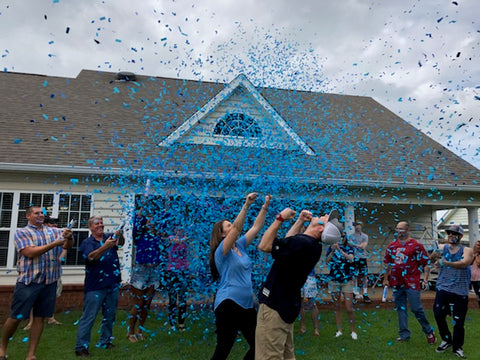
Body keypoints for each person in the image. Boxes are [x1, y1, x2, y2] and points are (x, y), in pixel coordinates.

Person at [255, 208, 341, 360]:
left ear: (321, 228)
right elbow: (288, 243)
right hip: (286, 306)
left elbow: (264, 245)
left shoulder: (302, 243)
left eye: (325, 217)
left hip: (275, 305)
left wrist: (279, 218)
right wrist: (299, 221)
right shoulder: (310, 245)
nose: (325, 215)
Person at [0, 206, 73, 360]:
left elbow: (67, 246)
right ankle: (2, 347)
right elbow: (30, 252)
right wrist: (54, 244)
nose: (40, 215)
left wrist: (69, 237)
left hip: (49, 281)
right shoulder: (22, 232)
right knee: (16, 317)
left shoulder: (53, 231)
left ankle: (31, 354)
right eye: (37, 213)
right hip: (29, 281)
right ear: (28, 216)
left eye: (42, 213)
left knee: (40, 318)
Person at [209, 192, 271, 360]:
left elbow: (256, 228)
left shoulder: (240, 246)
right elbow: (237, 229)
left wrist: (265, 206)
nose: (232, 227)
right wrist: (246, 205)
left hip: (247, 305)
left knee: (259, 345)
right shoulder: (222, 250)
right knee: (223, 348)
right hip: (228, 304)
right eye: (228, 226)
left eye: (231, 224)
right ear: (222, 234)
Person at [74, 216, 124, 357]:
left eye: (101, 223)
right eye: (97, 223)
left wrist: (121, 235)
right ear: (90, 227)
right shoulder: (87, 242)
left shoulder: (109, 236)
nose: (100, 225)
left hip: (112, 283)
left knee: (110, 316)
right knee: (89, 316)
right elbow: (91, 257)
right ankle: (81, 347)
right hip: (95, 286)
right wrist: (105, 246)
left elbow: (120, 244)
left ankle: (105, 341)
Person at [383, 221, 436, 344]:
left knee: (416, 308)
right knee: (400, 308)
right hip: (397, 282)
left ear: (407, 230)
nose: (398, 231)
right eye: (397, 229)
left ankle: (429, 331)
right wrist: (386, 278)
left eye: (401, 229)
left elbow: (425, 263)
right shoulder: (392, 245)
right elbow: (388, 263)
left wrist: (425, 278)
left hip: (411, 282)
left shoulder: (416, 245)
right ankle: (404, 335)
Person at [430, 224, 473, 359]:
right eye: (449, 233)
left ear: (460, 236)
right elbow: (432, 259)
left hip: (460, 290)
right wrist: (434, 257)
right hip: (443, 287)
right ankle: (446, 339)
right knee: (438, 314)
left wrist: (446, 263)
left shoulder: (467, 250)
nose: (451, 236)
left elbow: (465, 263)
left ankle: (457, 347)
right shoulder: (443, 248)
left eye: (454, 234)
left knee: (458, 320)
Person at [127, 206, 163, 343]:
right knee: (138, 303)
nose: (151, 222)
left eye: (153, 220)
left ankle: (140, 330)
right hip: (141, 271)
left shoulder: (157, 237)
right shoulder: (139, 236)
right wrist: (142, 206)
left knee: (147, 304)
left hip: (154, 271)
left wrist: (165, 202)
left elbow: (166, 219)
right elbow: (137, 222)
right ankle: (130, 332)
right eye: (148, 221)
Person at [326, 232, 357, 340]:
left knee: (349, 307)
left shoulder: (349, 248)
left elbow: (350, 259)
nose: (339, 240)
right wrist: (333, 250)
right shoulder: (330, 248)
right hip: (334, 280)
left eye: (342, 238)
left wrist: (340, 250)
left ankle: (353, 331)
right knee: (337, 306)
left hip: (347, 280)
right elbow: (327, 261)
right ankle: (339, 330)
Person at [167, 226, 189, 331]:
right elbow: (173, 241)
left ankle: (181, 323)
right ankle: (171, 322)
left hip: (183, 271)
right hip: (172, 271)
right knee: (172, 298)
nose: (179, 231)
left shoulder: (185, 240)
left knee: (182, 298)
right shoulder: (171, 238)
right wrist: (181, 240)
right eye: (177, 229)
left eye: (181, 229)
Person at [351, 221, 371, 303]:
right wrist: (358, 245)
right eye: (356, 225)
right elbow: (350, 245)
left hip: (362, 257)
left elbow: (363, 246)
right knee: (354, 275)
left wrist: (355, 245)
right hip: (354, 257)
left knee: (364, 275)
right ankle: (355, 292)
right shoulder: (351, 236)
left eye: (359, 225)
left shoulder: (365, 236)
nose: (357, 227)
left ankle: (365, 293)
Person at [298, 267, 320, 336]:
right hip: (298, 276)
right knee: (301, 303)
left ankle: (316, 329)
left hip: (309, 276)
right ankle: (303, 327)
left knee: (312, 303)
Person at [471, 240, 480, 308]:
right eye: (475, 244)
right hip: (474, 279)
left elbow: (478, 263)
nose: (475, 246)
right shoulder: (474, 254)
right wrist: (474, 254)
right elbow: (470, 263)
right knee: (478, 296)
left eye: (478, 245)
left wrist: (477, 254)